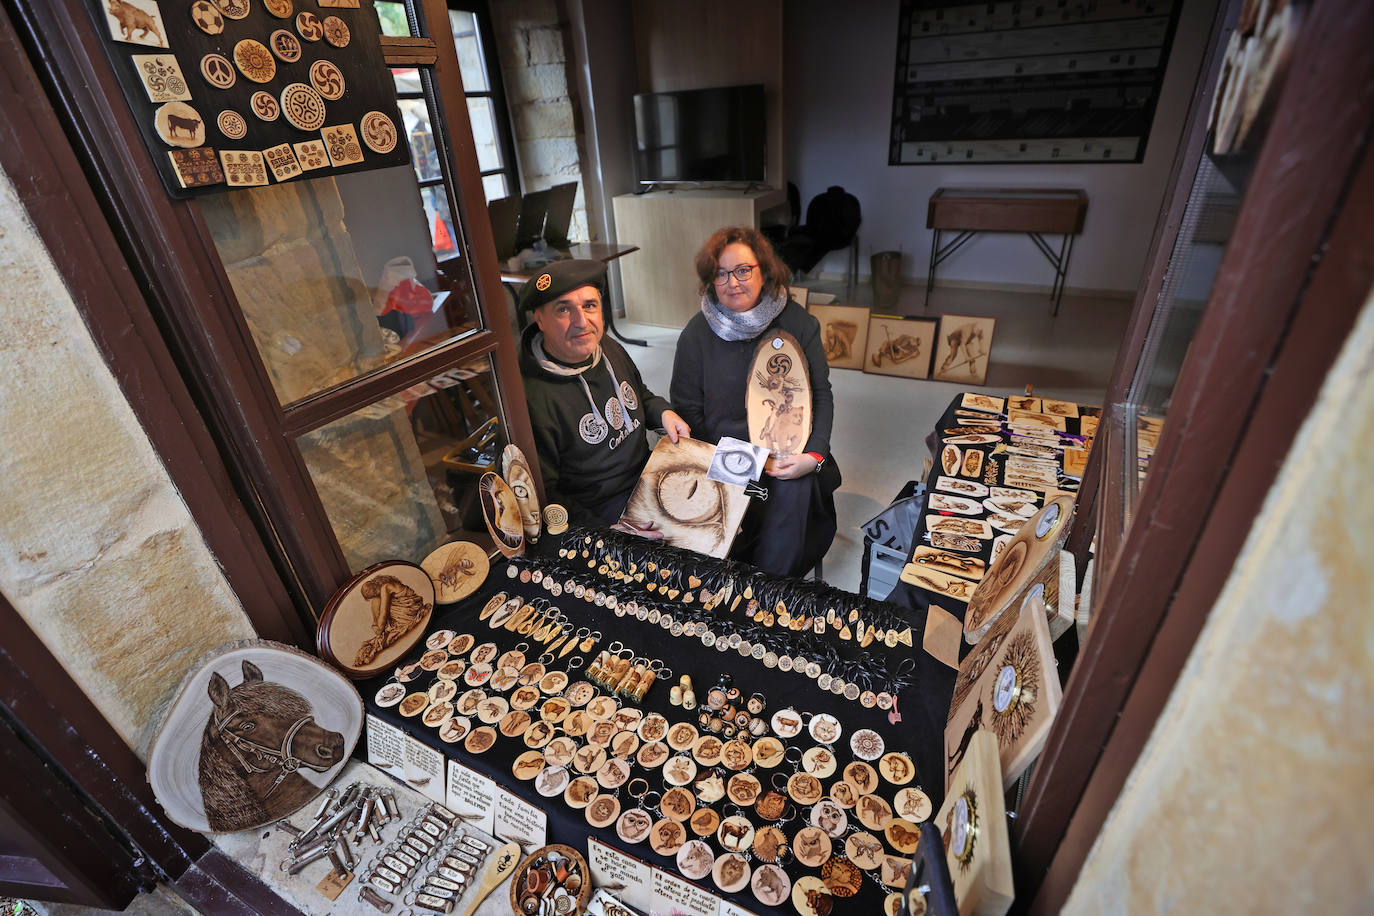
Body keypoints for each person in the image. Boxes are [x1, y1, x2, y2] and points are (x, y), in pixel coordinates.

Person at [670, 227, 840, 577]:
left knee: (794, 488)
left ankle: (769, 592)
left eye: (743, 270)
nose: (733, 282)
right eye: (721, 273)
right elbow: (688, 411)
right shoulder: (695, 334)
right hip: (725, 452)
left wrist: (815, 455)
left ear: (764, 270)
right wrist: (742, 460)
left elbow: (820, 395)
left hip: (789, 451)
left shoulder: (799, 323)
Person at [517, 259, 690, 529]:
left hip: (647, 476)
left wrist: (662, 412)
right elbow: (545, 495)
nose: (581, 321)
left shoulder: (606, 346)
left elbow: (638, 394)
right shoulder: (530, 397)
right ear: (539, 319)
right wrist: (607, 533)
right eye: (563, 309)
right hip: (598, 513)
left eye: (589, 306)